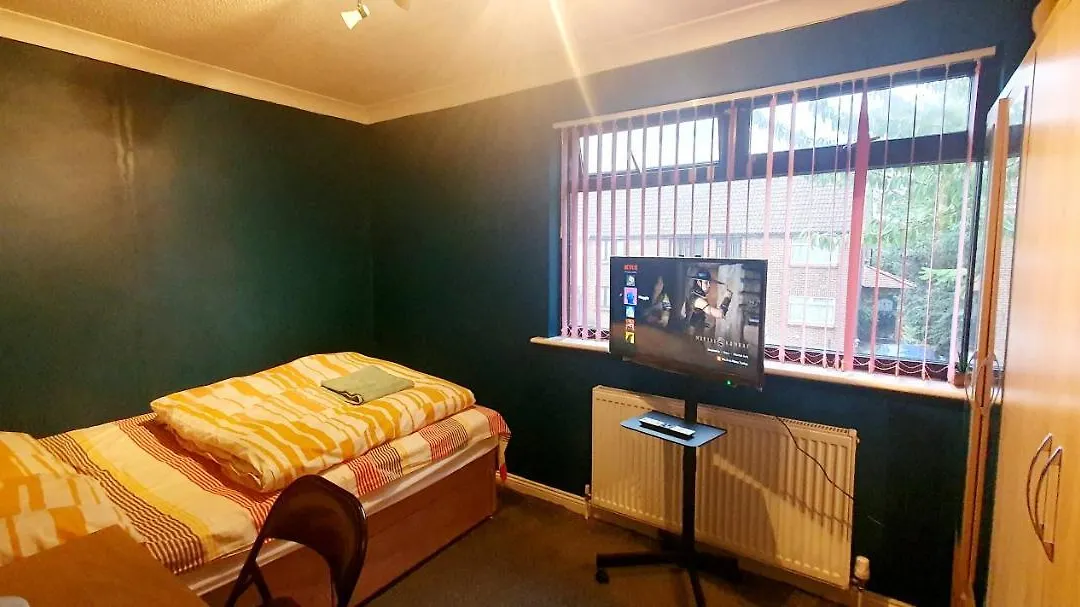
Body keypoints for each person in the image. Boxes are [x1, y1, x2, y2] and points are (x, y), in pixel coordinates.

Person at [684, 269, 733, 337]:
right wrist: (727, 298)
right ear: (699, 283)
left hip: (696, 332)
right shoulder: (698, 300)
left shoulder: (695, 294)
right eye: (706, 283)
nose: (709, 285)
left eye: (709, 282)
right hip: (692, 335)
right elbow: (720, 314)